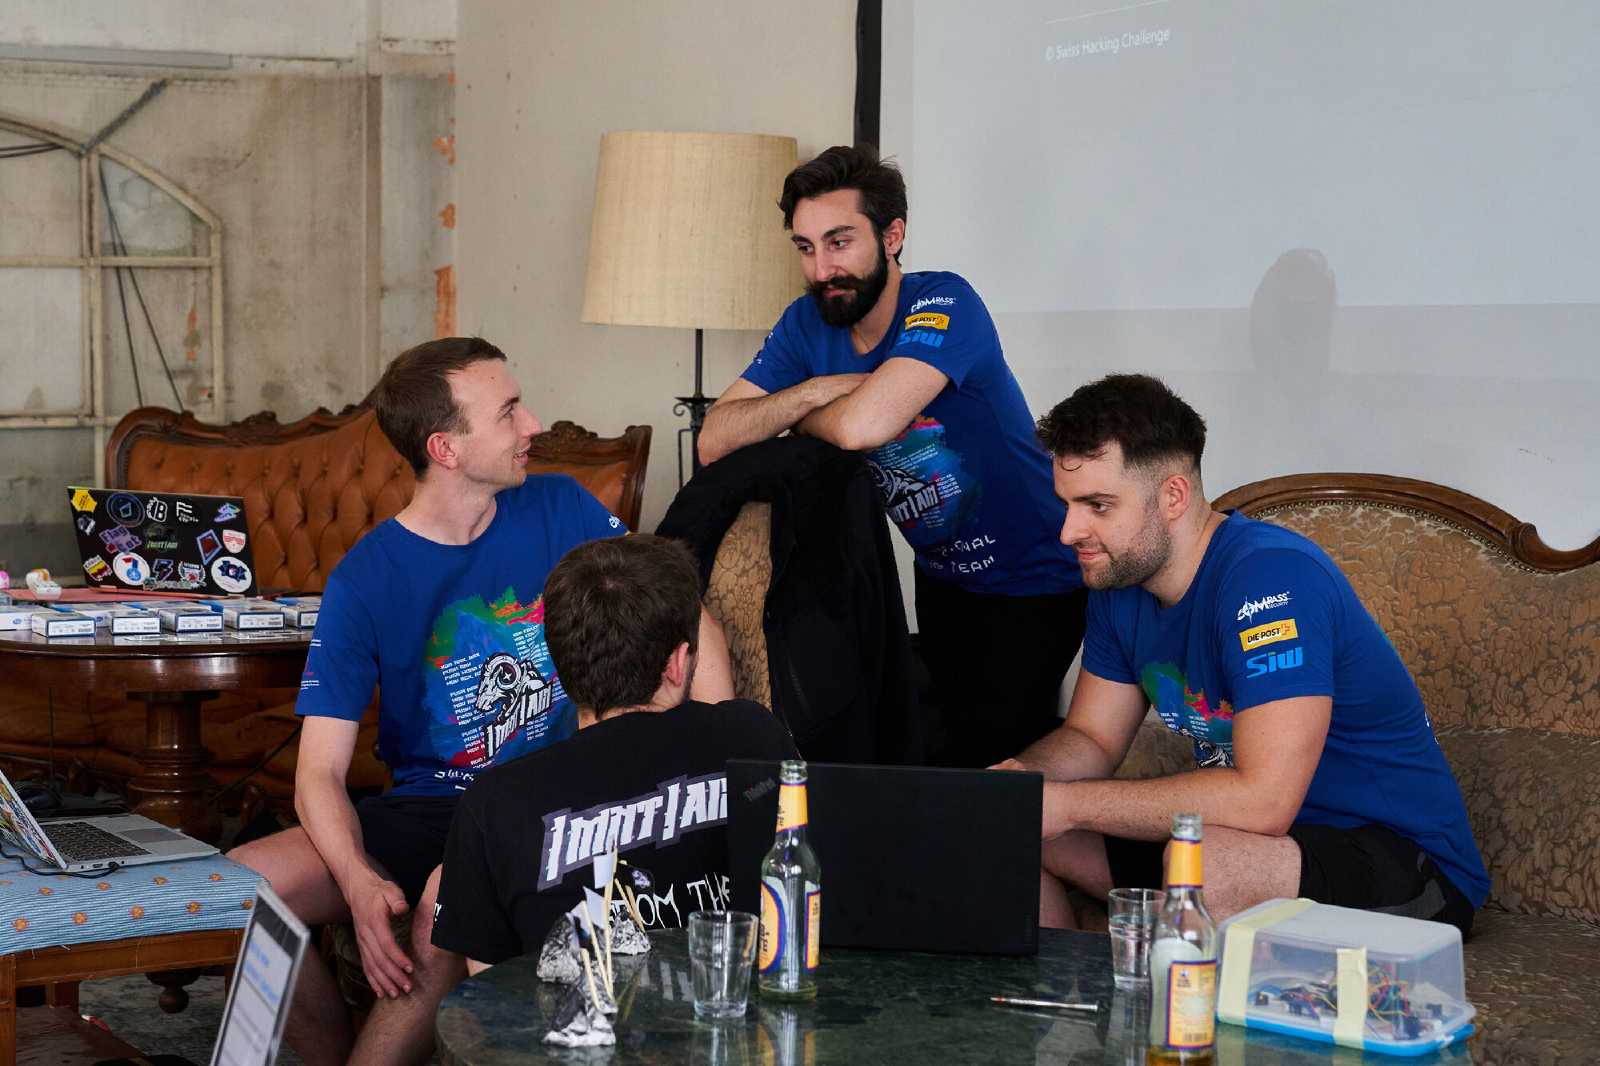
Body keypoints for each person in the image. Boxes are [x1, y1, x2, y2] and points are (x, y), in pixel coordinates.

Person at [227, 337, 733, 1066]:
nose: (534, 426)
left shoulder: (560, 507)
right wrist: (359, 882)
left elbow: (683, 609)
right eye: (509, 412)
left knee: (445, 900)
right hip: (428, 807)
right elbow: (319, 774)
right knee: (238, 894)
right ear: (446, 448)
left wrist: (711, 740)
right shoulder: (365, 578)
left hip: (553, 795)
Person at [1004, 373, 1488, 933]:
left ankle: (1169, 975)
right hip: (1252, 843)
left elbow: (1263, 801)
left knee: (1206, 864)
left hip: (1403, 861)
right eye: (1067, 504)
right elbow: (1092, 738)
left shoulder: (1269, 578)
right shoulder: (1119, 585)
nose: (1069, 531)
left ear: (1173, 497)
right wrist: (1020, 782)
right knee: (1013, 832)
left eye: (1098, 505)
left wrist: (1069, 805)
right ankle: (1070, 990)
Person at [698, 144, 1084, 768]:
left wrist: (797, 416)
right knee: (933, 760)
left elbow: (865, 426)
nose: (823, 268)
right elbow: (714, 438)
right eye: (806, 248)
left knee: (995, 769)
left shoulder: (946, 303)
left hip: (1035, 578)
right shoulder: (805, 324)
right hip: (941, 580)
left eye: (840, 242)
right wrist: (817, 391)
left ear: (893, 235)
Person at [432, 534, 799, 971]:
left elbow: (491, 995)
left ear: (560, 663)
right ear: (678, 662)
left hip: (575, 1015)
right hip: (737, 1007)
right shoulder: (753, 734)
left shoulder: (492, 805)